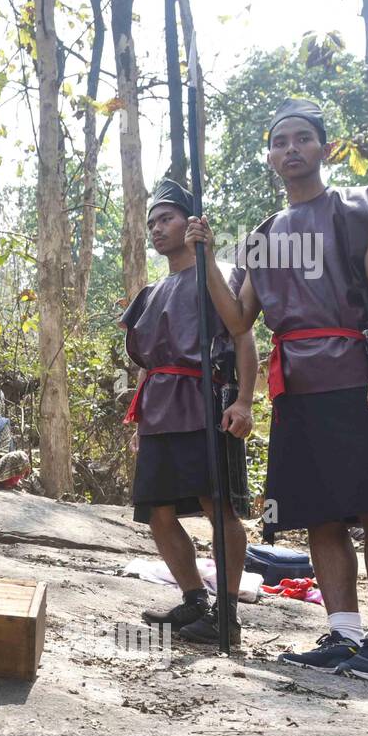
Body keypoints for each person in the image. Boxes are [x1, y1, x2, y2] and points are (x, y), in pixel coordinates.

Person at [203, 97, 368, 683]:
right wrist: (206, 258)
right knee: (319, 512)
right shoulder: (262, 237)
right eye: (279, 142)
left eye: (302, 138)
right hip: (293, 382)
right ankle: (344, 634)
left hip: (353, 368)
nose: (290, 149)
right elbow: (239, 321)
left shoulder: (354, 207)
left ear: (323, 146)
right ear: (269, 156)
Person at [124, 179, 257, 645]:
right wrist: (138, 419)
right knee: (156, 510)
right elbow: (146, 362)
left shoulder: (223, 273)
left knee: (214, 504)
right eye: (153, 223)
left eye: (167, 219)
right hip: (159, 405)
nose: (158, 229)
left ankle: (228, 612)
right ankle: (194, 599)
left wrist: (244, 401)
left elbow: (242, 334)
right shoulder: (151, 291)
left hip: (204, 401)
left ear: (192, 223)